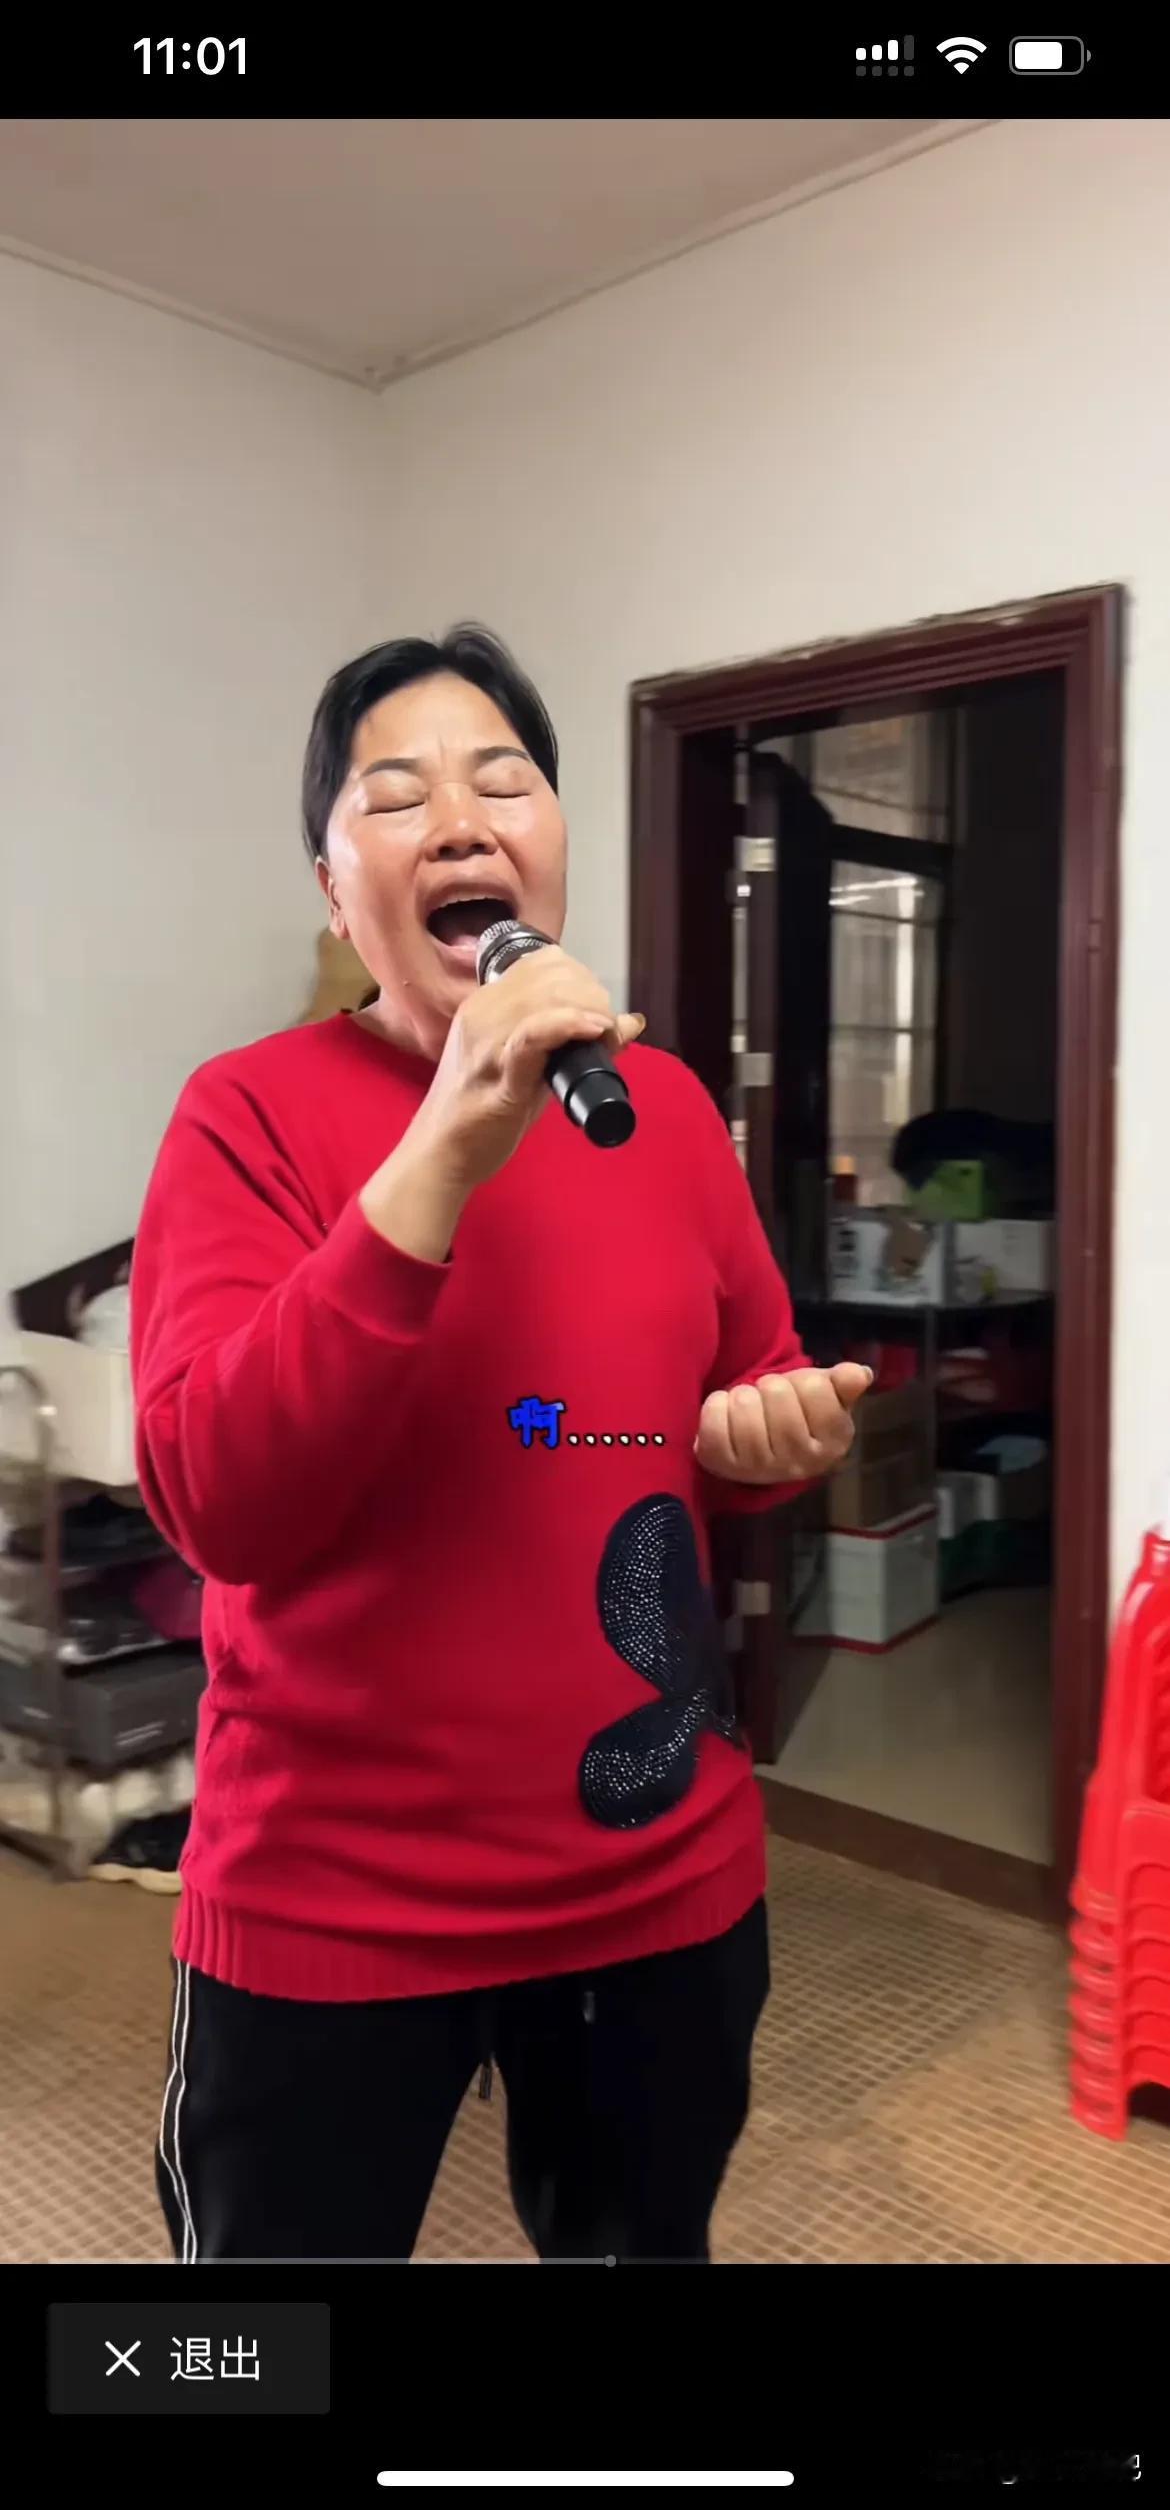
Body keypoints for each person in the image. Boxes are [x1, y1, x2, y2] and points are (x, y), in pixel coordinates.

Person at [131, 624, 870, 2264]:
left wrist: (771, 1434)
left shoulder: (659, 1111)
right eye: (396, 798)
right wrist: (450, 1141)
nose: (461, 821)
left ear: (553, 846)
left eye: (504, 782)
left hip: (656, 1882)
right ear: (335, 893)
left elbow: (732, 1393)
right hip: (333, 1902)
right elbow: (216, 1503)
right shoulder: (243, 1113)